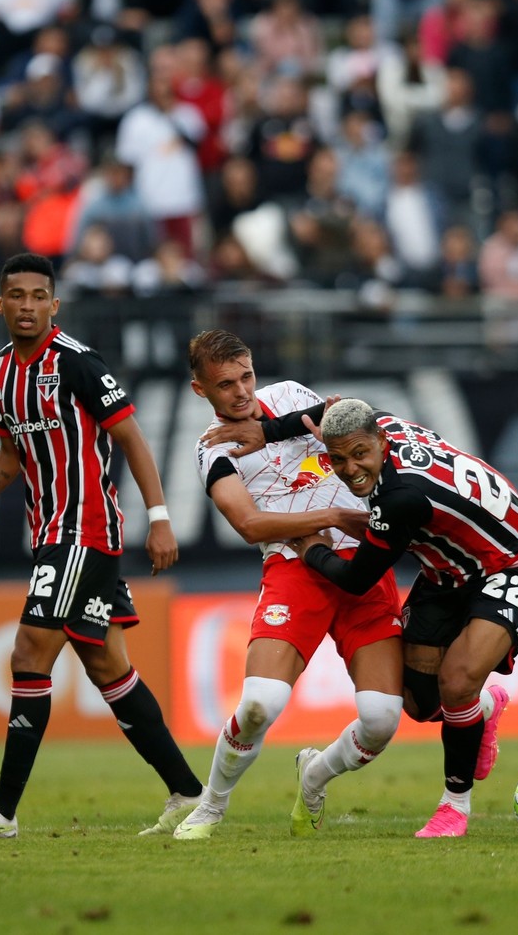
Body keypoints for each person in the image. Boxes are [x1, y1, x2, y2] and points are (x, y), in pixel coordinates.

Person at [0, 252, 204, 839]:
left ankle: (1, 811)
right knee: (108, 664)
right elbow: (10, 456)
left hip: (85, 531)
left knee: (29, 655)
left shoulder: (78, 363)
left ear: (53, 305)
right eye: (17, 295)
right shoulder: (2, 367)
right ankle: (187, 791)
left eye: (39, 296)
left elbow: (130, 437)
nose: (27, 305)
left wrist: (159, 517)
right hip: (50, 535)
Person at [203, 397, 518, 838]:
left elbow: (354, 579)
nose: (349, 469)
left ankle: (454, 808)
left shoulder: (397, 497)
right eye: (337, 459)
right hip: (446, 570)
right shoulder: (378, 423)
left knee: (458, 680)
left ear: (382, 443)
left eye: (360, 455)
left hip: (511, 563)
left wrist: (311, 549)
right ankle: (484, 709)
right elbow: (328, 409)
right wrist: (269, 431)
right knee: (419, 704)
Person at [175, 330, 403, 840]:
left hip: (362, 565)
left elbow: (348, 416)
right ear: (200, 391)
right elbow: (251, 525)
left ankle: (316, 775)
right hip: (294, 567)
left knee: (382, 719)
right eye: (225, 384)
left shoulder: (294, 398)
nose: (241, 392)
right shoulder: (211, 450)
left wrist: (281, 429)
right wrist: (334, 516)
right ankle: (211, 806)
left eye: (246, 376)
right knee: (259, 704)